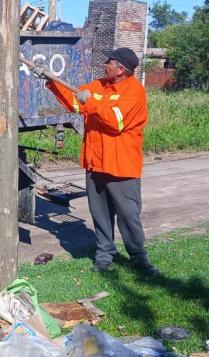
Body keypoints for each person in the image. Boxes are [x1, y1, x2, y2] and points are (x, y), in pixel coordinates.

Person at [35, 47, 161, 276]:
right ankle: (104, 256)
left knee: (128, 215)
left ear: (121, 69)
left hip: (122, 166)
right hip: (96, 164)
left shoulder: (134, 92)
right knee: (100, 213)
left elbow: (115, 121)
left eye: (109, 63)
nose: (105, 66)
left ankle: (138, 258)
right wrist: (52, 82)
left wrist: (91, 102)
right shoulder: (98, 86)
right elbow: (75, 102)